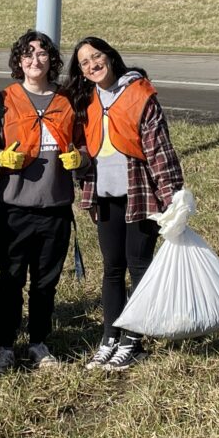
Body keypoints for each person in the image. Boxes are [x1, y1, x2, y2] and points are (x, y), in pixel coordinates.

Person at [66, 37, 184, 371]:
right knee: (112, 268)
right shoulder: (86, 101)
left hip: (140, 193)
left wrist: (172, 197)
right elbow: (89, 148)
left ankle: (134, 339)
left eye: (97, 56)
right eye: (85, 62)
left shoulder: (139, 94)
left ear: (110, 57)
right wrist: (79, 161)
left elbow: (159, 149)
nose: (92, 64)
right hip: (104, 197)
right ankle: (110, 337)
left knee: (139, 265)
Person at [0, 30, 83, 376]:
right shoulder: (4, 100)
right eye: (27, 54)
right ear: (19, 61)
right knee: (10, 280)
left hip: (54, 206)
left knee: (46, 281)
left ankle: (39, 342)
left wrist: (81, 160)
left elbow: (86, 144)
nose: (35, 60)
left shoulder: (67, 100)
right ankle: (6, 345)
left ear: (51, 60)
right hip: (14, 207)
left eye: (42, 54)